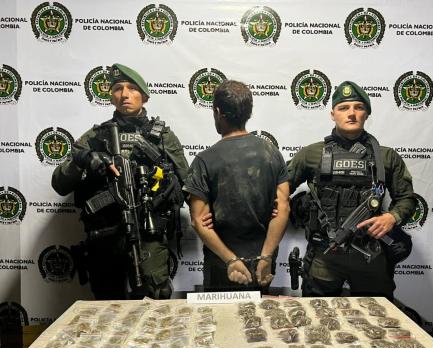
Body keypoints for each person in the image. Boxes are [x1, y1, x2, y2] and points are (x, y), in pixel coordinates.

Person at [51, 63, 188, 300]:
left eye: (132, 88)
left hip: (148, 234)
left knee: (155, 298)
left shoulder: (163, 137)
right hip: (105, 235)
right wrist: (84, 159)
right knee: (106, 303)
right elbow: (59, 184)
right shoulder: (96, 137)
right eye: (117, 89)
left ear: (144, 96)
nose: (124, 94)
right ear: (111, 97)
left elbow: (188, 184)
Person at [287, 81, 416, 300]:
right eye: (344, 108)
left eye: (359, 107)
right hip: (324, 255)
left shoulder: (386, 157)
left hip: (371, 254)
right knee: (318, 315)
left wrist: (391, 217)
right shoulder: (311, 154)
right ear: (333, 114)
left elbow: (407, 198)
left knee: (377, 315)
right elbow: (280, 190)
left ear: (367, 114)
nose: (352, 113)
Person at [183, 80, 290, 291]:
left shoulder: (205, 160)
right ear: (248, 112)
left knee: (220, 313)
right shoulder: (272, 153)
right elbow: (283, 208)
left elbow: (198, 220)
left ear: (217, 112)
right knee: (260, 312)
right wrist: (266, 256)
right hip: (262, 264)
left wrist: (231, 260)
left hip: (222, 265)